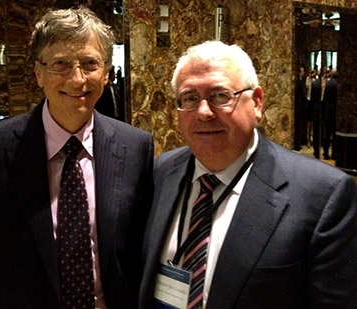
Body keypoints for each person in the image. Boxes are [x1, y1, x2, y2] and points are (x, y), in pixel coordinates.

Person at [0, 6, 154, 309]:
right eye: (60, 64)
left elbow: (141, 254)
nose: (77, 79)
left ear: (107, 72)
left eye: (89, 63)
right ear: (38, 73)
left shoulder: (136, 147)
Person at [140, 41, 357, 308]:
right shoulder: (163, 170)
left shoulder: (323, 195)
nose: (204, 112)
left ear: (256, 102)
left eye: (220, 96)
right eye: (190, 98)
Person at [322, 68, 337, 160]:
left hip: (328, 112)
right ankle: (334, 153)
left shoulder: (328, 84)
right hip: (335, 112)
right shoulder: (337, 84)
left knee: (327, 134)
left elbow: (325, 99)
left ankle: (326, 152)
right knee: (334, 135)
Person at [293, 65, 306, 150]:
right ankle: (296, 144)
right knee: (298, 126)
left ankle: (298, 143)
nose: (303, 73)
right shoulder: (299, 82)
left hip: (300, 106)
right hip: (299, 106)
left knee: (299, 126)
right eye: (302, 71)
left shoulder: (300, 81)